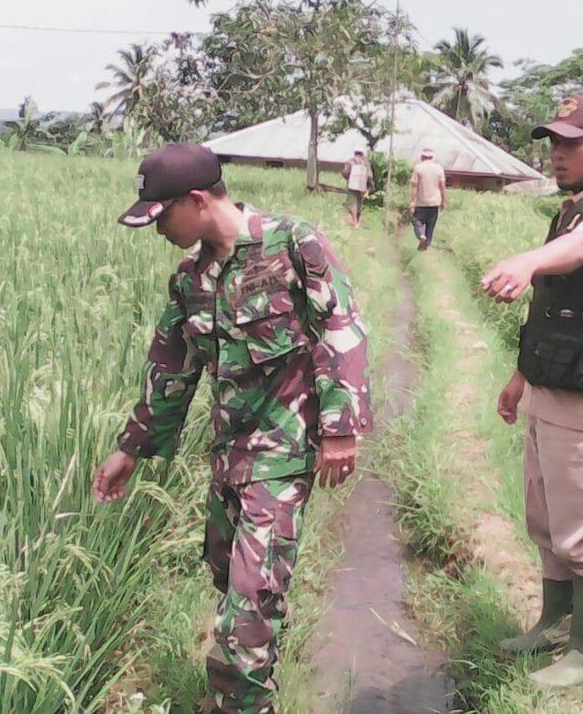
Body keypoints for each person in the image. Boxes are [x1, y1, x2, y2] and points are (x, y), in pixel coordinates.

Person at [93, 143, 372, 714]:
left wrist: (341, 430)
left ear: (197, 200)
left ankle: (242, 705)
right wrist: (131, 450)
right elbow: (172, 367)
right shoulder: (191, 277)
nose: (158, 229)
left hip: (284, 452)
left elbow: (340, 329)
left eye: (161, 215)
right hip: (228, 458)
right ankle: (260, 672)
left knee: (248, 602)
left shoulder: (294, 243)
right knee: (234, 583)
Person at [481, 95, 583, 688]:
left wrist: (528, 260)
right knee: (546, 516)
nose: (557, 154)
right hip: (551, 384)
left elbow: (582, 252)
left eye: (571, 143)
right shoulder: (570, 210)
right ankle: (553, 624)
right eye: (552, 142)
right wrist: (521, 376)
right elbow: (555, 309)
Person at [409, 147, 446, 250]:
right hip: (434, 203)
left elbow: (415, 186)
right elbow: (442, 186)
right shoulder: (439, 168)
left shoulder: (418, 168)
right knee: (430, 226)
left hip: (421, 202)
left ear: (422, 157)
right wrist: (443, 201)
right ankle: (426, 246)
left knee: (417, 221)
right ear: (432, 157)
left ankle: (421, 235)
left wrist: (412, 202)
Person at [342, 148, 371, 228]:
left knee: (352, 203)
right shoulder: (366, 163)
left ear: (355, 153)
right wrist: (369, 186)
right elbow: (370, 176)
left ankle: (355, 222)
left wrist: (349, 178)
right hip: (362, 186)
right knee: (359, 203)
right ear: (362, 154)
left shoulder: (349, 162)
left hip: (352, 186)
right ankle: (357, 221)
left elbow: (345, 172)